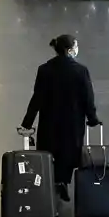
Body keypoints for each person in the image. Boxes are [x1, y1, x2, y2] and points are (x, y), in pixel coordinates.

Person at [19, 34, 100, 203]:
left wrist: (27, 122)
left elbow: (37, 98)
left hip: (49, 122)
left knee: (49, 152)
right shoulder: (80, 71)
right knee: (69, 154)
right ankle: (63, 180)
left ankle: (49, 183)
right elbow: (88, 98)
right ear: (69, 50)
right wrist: (92, 118)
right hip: (72, 123)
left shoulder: (44, 69)